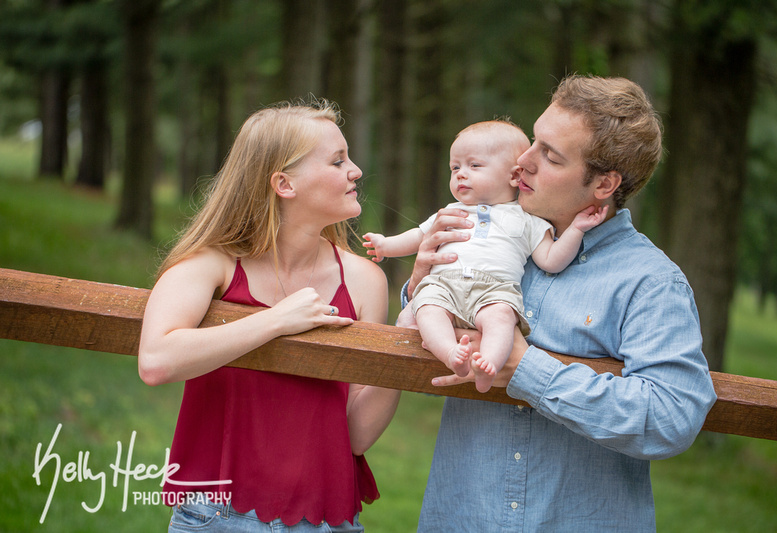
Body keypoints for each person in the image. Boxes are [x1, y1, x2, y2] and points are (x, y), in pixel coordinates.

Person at [403, 75, 717, 532]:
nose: (522, 161)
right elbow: (413, 334)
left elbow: (672, 416)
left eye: (549, 155)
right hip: (460, 518)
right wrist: (417, 286)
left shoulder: (650, 282)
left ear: (604, 183)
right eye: (533, 141)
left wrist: (526, 368)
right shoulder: (492, 235)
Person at [138, 100, 400, 532]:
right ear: (284, 184)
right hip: (213, 517)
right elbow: (156, 360)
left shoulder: (365, 281)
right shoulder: (212, 264)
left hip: (325, 520)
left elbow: (356, 435)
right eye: (338, 161)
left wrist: (402, 340)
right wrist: (276, 320)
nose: (355, 171)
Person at [363, 120, 606, 392]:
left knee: (501, 318)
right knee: (429, 310)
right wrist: (386, 245)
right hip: (443, 284)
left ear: (514, 176)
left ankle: (488, 364)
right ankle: (451, 355)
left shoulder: (527, 219)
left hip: (494, 289)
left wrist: (575, 230)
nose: (460, 175)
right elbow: (419, 237)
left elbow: (551, 259)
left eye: (474, 166)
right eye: (455, 168)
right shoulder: (451, 211)